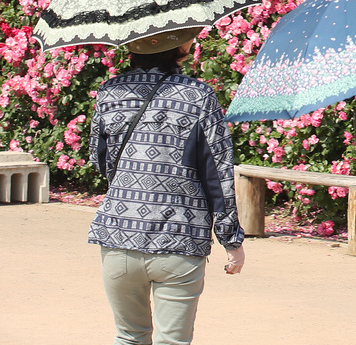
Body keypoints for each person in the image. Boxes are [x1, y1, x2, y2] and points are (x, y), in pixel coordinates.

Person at [89, 27, 246, 345]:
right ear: (180, 46)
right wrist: (232, 241)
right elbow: (217, 172)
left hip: (118, 236)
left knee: (129, 337)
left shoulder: (109, 94)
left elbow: (101, 161)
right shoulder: (199, 96)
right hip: (179, 240)